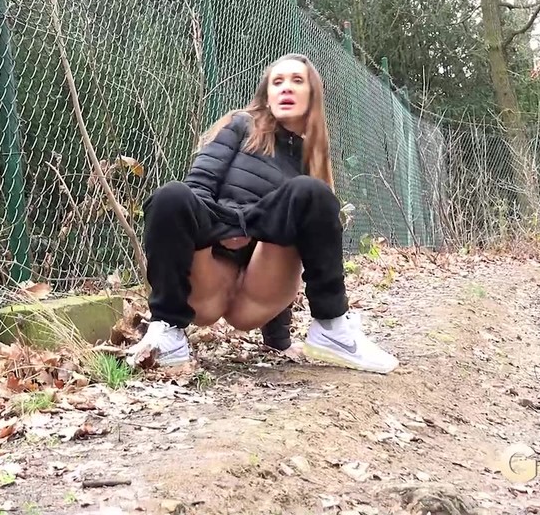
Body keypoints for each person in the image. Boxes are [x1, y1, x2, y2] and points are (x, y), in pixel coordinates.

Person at [126, 53, 399, 374]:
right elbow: (198, 189)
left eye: (297, 81)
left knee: (312, 193)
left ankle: (332, 327)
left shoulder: (312, 164)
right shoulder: (241, 125)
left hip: (256, 291)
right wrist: (232, 229)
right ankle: (168, 330)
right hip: (207, 280)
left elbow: (293, 248)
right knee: (172, 196)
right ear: (267, 95)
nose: (286, 88)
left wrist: (278, 340)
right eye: (277, 82)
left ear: (312, 94)